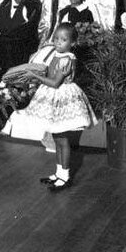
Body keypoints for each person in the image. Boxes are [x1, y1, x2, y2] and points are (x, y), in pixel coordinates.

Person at [17, 23, 98, 192]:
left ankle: (65, 176)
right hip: (53, 97)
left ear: (72, 43)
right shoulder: (56, 54)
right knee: (57, 138)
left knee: (63, 140)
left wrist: (34, 76)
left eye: (63, 40)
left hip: (62, 98)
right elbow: (50, 75)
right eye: (56, 39)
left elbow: (54, 83)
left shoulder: (67, 59)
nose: (58, 43)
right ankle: (59, 173)